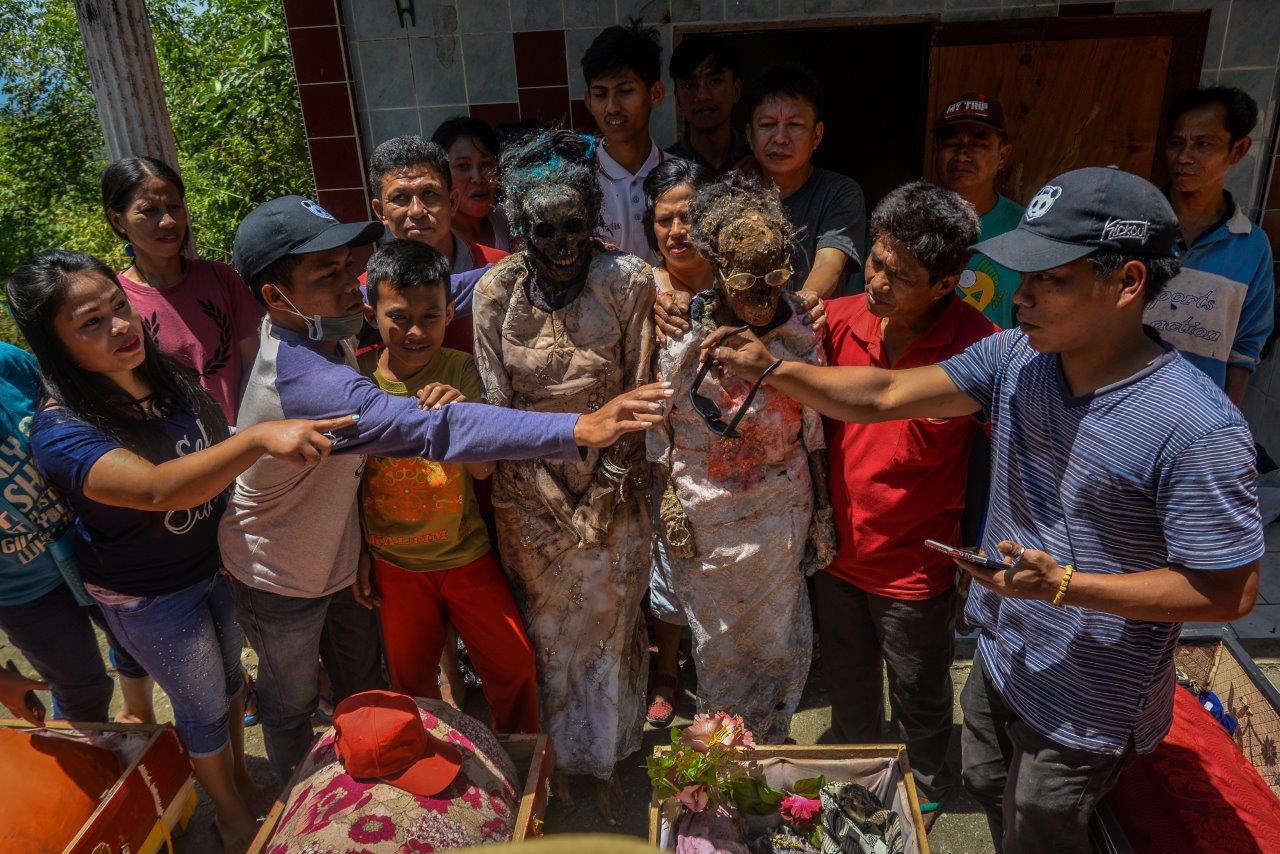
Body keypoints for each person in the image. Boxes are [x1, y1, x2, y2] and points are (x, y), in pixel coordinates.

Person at [704, 166, 1263, 854]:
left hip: (1088, 703)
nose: (1021, 298)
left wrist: (1065, 586)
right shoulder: (1014, 358)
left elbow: (1229, 591)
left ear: (1127, 283)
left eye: (1049, 279)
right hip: (1002, 660)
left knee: (1041, 827)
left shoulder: (1195, 427)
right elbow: (881, 395)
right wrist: (772, 367)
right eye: (1023, 277)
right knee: (990, 788)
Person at [218, 194, 665, 783]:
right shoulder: (305, 379)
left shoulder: (329, 323)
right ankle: (301, 812)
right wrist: (579, 427)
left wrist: (549, 253)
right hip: (281, 574)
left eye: (348, 266)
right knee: (288, 708)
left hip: (344, 557)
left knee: (365, 696)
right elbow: (433, 428)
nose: (352, 286)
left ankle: (377, 797)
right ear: (278, 298)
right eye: (327, 275)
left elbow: (441, 292)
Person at [8, 249, 351, 850]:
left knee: (224, 688)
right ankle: (228, 811)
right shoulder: (61, 432)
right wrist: (258, 439)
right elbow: (161, 488)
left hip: (210, 568)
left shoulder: (167, 376)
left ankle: (241, 781)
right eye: (91, 322)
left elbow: (210, 468)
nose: (120, 327)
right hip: (148, 595)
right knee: (197, 705)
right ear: (54, 345)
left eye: (119, 307)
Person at [471, 130, 655, 824]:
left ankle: (609, 768)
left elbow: (640, 396)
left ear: (592, 217)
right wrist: (555, 503)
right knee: (550, 645)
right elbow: (495, 411)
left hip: (617, 493)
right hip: (530, 501)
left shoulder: (628, 281)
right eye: (543, 230)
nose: (561, 243)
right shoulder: (495, 292)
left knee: (610, 638)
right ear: (520, 229)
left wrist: (601, 497)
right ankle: (556, 771)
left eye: (574, 225)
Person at [817, 182, 998, 826]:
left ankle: (927, 773)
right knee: (847, 673)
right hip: (837, 551)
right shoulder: (834, 321)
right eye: (877, 260)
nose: (879, 282)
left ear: (947, 283)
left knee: (920, 686)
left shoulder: (982, 347)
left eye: (902, 274)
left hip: (916, 566)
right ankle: (860, 759)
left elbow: (995, 464)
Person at [648, 175, 835, 744]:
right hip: (705, 520)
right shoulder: (681, 334)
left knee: (778, 636)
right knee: (718, 640)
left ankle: (771, 736)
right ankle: (724, 740)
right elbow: (660, 424)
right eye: (745, 276)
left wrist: (823, 509)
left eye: (775, 274)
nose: (762, 291)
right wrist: (668, 500)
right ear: (717, 264)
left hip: (782, 513)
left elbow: (816, 428)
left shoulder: (800, 331)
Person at [357, 238, 538, 734]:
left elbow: (484, 472)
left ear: (449, 311)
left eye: (431, 316)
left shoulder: (462, 369)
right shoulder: (357, 378)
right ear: (371, 313)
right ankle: (427, 777)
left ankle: (520, 759)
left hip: (464, 553)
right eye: (399, 316)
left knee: (514, 663)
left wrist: (461, 418)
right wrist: (360, 554)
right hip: (395, 563)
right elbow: (348, 484)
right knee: (411, 683)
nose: (416, 331)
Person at [0, 341, 115, 725]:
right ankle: (91, 765)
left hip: (89, 543)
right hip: (22, 591)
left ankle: (140, 721)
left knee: (135, 649)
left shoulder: (9, 363)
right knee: (82, 689)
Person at [639, 158, 717, 728]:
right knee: (667, 570)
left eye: (688, 217)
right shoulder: (641, 286)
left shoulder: (739, 286)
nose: (676, 232)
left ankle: (717, 678)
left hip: (731, 463)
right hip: (666, 461)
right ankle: (666, 672)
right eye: (664, 220)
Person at [102, 157, 263, 424]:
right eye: (149, 210)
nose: (167, 221)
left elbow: (255, 365)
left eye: (174, 207)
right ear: (118, 220)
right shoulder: (117, 303)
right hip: (183, 456)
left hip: (249, 439)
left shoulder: (220, 278)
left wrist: (251, 433)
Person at [1147, 85, 1275, 405]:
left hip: (1195, 419)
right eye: (1177, 143)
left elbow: (1243, 352)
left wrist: (1226, 425)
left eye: (1203, 144)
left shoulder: (1251, 247)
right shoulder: (1133, 222)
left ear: (1238, 150)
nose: (1184, 157)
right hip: (1117, 408)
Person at [364, 135, 509, 353]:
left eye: (429, 194)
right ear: (380, 211)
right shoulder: (366, 293)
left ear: (452, 202)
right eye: (400, 198)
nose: (416, 211)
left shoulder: (500, 269)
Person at [745, 65, 865, 298]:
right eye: (768, 125)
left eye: (795, 125)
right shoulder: (733, 195)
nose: (780, 138)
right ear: (750, 136)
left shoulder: (839, 193)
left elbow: (829, 263)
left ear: (817, 135)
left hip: (810, 326)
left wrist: (796, 313)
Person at [582, 21, 675, 266]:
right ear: (589, 101)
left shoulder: (685, 181)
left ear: (655, 93)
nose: (612, 107)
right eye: (601, 94)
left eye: (625, 91)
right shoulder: (577, 184)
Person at [932, 94, 1024, 331]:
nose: (962, 155)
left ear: (1002, 156)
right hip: (910, 366)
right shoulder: (906, 219)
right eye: (951, 144)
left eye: (978, 144)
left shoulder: (1025, 229)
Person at [665, 34, 752, 175]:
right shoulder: (666, 166)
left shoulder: (759, 159)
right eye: (689, 85)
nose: (702, 96)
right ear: (678, 99)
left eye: (715, 81)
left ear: (736, 90)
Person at [431, 116, 512, 252]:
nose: (478, 178)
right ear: (440, 174)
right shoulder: (436, 242)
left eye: (486, 164)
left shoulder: (507, 222)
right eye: (463, 166)